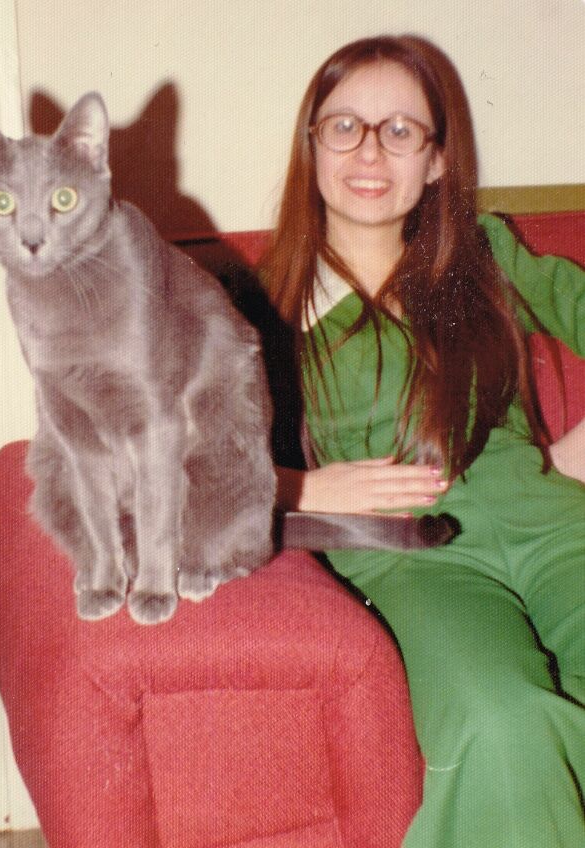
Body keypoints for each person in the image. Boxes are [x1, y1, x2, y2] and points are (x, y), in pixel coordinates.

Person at [262, 35, 585, 847]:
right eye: (345, 126)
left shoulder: (486, 257)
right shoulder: (260, 307)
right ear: (311, 146)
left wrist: (568, 456)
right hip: (412, 559)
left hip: (555, 528)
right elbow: (179, 468)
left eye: (401, 130)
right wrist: (298, 488)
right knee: (504, 722)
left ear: (436, 161)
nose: (370, 151)